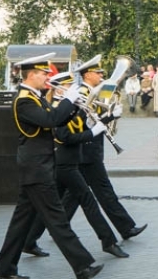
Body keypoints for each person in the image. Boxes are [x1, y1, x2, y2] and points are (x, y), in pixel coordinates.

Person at [0, 52, 103, 279]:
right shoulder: (24, 100)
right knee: (58, 220)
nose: (47, 77)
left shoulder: (34, 96)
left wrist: (73, 105)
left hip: (38, 166)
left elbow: (56, 117)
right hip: (36, 168)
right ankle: (82, 266)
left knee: (20, 222)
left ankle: (3, 267)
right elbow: (50, 121)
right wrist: (69, 99)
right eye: (43, 73)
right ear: (31, 74)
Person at [24, 69, 129, 259]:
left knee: (50, 206)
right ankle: (108, 242)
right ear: (59, 90)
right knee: (89, 202)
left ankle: (29, 240)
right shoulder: (55, 109)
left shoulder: (68, 107)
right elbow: (66, 137)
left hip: (70, 162)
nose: (73, 89)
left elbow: (84, 125)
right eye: (68, 86)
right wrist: (93, 133)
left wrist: (109, 117)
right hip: (65, 164)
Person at [74, 59, 147, 244]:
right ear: (87, 75)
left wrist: (112, 113)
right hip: (87, 149)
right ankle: (126, 227)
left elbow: (102, 111)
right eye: (97, 73)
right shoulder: (82, 93)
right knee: (104, 191)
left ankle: (41, 231)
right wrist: (108, 118)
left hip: (93, 148)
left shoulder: (96, 90)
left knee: (71, 195)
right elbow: (86, 122)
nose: (101, 76)